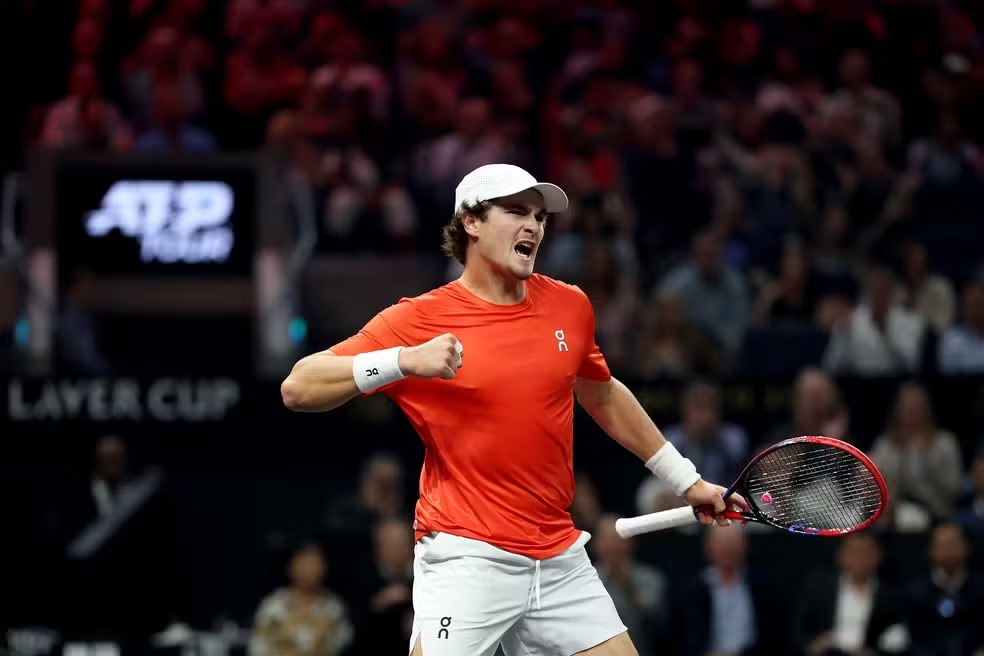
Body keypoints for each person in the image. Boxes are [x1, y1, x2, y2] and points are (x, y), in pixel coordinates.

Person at [282, 163, 747, 656]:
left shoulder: (569, 305)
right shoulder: (420, 319)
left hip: (558, 557)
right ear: (471, 222)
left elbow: (603, 394)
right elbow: (299, 387)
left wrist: (688, 481)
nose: (534, 227)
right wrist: (402, 360)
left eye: (539, 217)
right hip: (467, 555)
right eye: (516, 212)